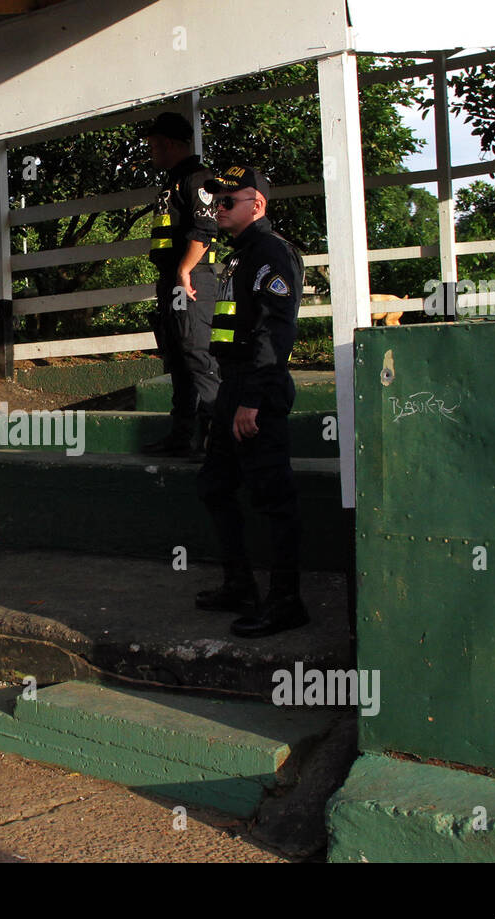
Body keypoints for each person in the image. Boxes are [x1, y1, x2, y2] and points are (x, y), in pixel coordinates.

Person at [195, 163, 309, 637]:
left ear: (256, 204)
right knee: (215, 486)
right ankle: (240, 586)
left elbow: (275, 330)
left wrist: (253, 399)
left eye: (227, 201)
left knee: (274, 498)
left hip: (257, 389)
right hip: (233, 387)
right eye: (215, 200)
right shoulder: (242, 255)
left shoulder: (271, 253)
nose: (218, 208)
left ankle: (286, 602)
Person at [141, 111, 220, 459]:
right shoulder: (173, 180)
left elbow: (205, 229)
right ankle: (182, 436)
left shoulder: (197, 179)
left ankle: (214, 439)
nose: (151, 152)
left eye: (154, 145)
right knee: (177, 355)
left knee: (197, 354)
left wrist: (185, 270)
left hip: (192, 280)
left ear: (170, 144)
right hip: (174, 281)